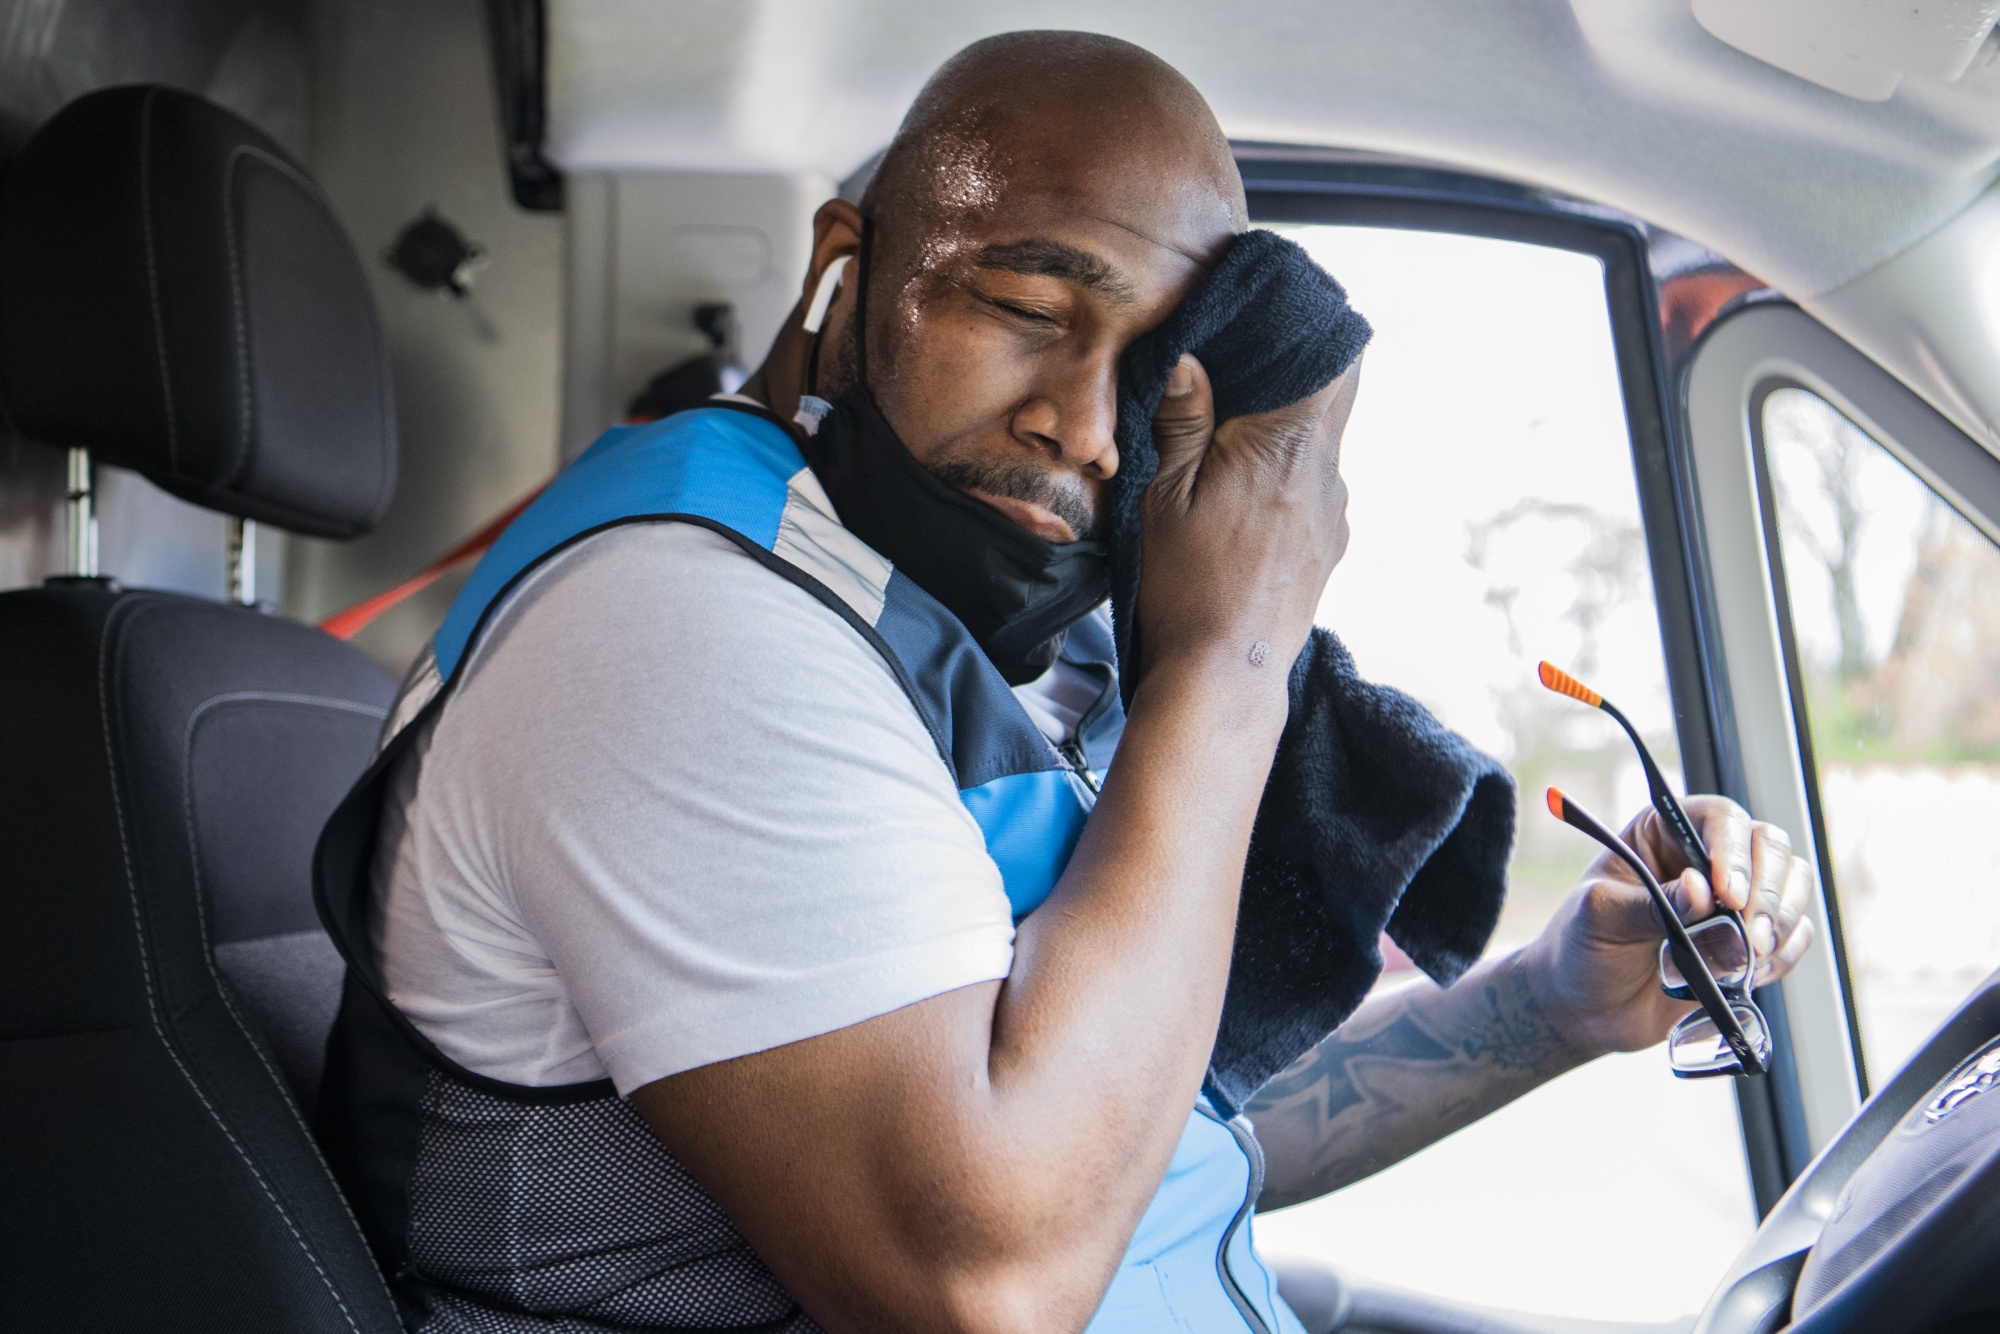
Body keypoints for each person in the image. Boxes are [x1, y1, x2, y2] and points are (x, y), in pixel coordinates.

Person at [326, 29, 1818, 1334]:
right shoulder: (683, 632)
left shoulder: (1008, 636)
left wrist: (1547, 1005)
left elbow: (1135, 1134)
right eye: (1031, 309)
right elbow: (988, 1284)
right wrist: (1230, 659)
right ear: (846, 273)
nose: (1089, 428)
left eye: (1154, 364)